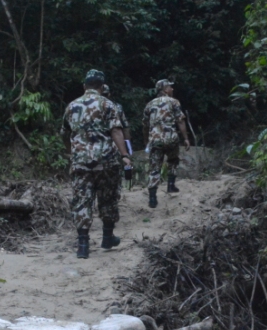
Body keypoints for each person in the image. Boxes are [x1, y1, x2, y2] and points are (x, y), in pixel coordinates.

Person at [61, 70, 133, 259]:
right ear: (101, 87)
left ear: (84, 86)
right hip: (106, 161)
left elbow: (64, 133)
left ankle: (83, 245)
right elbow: (117, 131)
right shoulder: (108, 104)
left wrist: (72, 152)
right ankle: (107, 238)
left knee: (82, 200)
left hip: (80, 162)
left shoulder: (72, 106)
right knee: (108, 199)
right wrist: (125, 154)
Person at [143, 79, 190, 207]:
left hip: (155, 139)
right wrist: (185, 138)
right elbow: (180, 121)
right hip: (171, 138)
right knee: (173, 160)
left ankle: (152, 198)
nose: (172, 89)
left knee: (154, 167)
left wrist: (146, 141)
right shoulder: (174, 102)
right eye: (170, 87)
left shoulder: (149, 104)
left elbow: (145, 125)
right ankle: (171, 185)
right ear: (164, 90)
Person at [102, 84, 133, 189]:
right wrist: (127, 147)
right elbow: (124, 127)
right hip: (115, 142)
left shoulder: (87, 104)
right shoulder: (116, 107)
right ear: (109, 94)